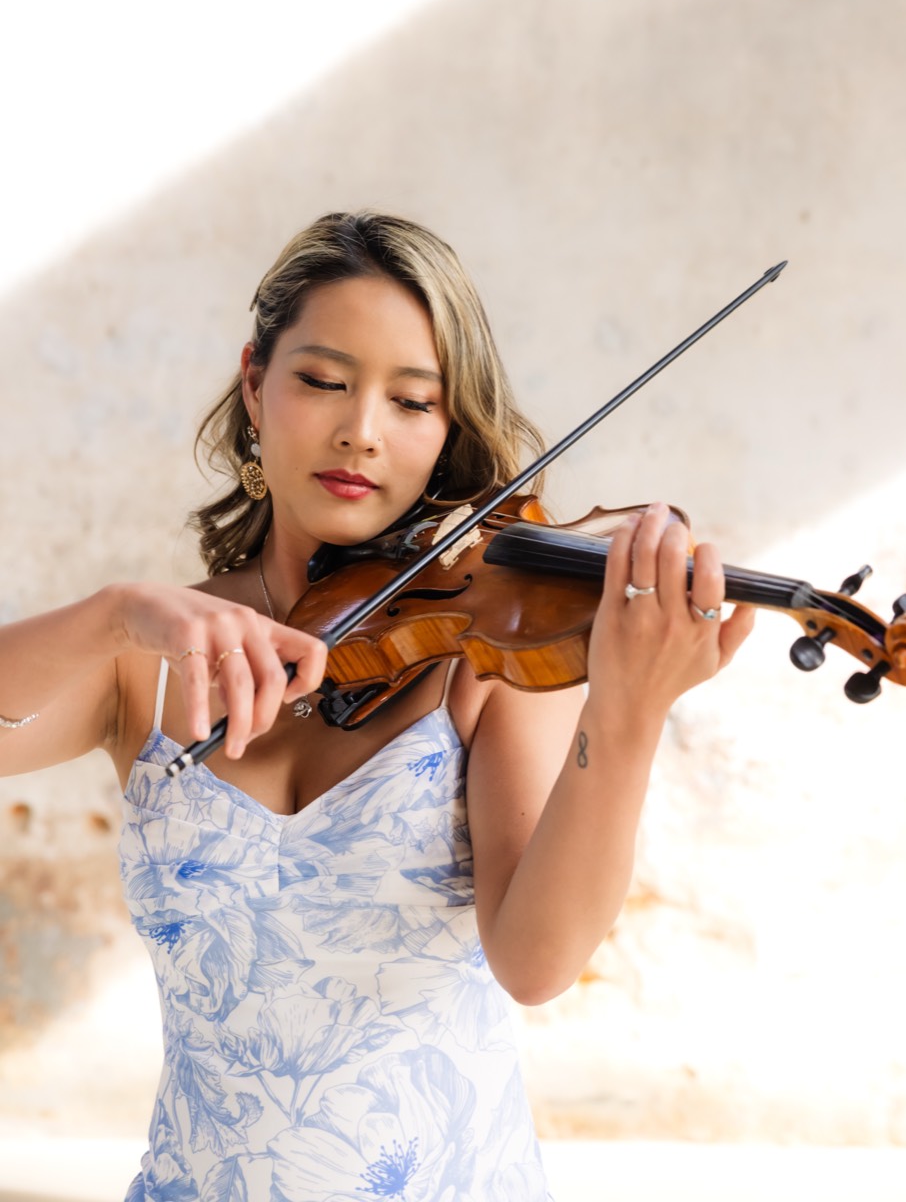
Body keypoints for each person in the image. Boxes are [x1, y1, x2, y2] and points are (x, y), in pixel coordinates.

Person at [0, 210, 755, 1201]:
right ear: (254, 383)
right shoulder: (153, 656)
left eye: (412, 401)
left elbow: (535, 961)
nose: (361, 428)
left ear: (446, 434)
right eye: (322, 380)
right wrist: (109, 614)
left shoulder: (483, 656)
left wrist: (627, 716)